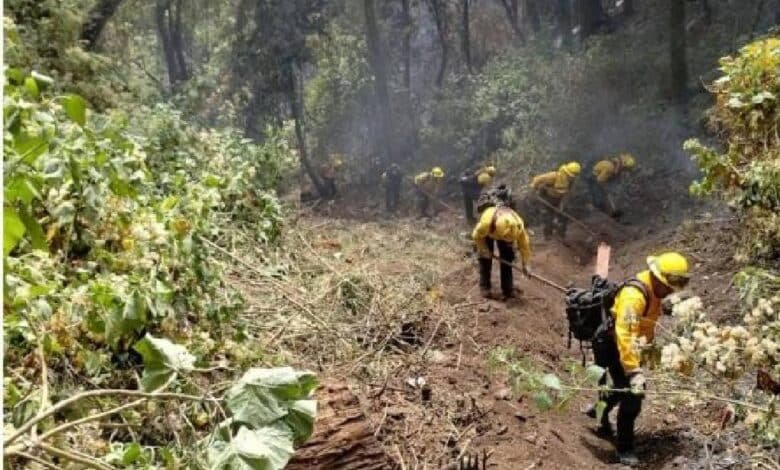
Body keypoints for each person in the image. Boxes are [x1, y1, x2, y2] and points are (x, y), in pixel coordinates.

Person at [585, 252, 691, 466]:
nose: (669, 291)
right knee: (633, 395)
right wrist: (634, 370)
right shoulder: (634, 296)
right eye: (667, 286)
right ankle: (624, 448)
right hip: (612, 344)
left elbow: (644, 324)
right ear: (656, 277)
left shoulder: (654, 291)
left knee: (620, 388)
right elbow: (625, 334)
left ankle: (599, 410)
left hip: (629, 347)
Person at [471, 201, 531, 300]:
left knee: (507, 258)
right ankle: (485, 287)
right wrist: (484, 249)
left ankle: (508, 289)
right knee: (485, 259)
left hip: (505, 235)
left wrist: (526, 264)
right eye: (505, 239)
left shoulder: (518, 225)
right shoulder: (486, 223)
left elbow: (524, 246)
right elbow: (476, 235)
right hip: (487, 234)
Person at [530, 162, 581, 239]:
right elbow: (537, 179)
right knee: (548, 216)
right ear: (566, 173)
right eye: (570, 176)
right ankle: (548, 235)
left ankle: (561, 234)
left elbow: (568, 193)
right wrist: (533, 190)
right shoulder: (553, 176)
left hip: (559, 198)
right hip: (546, 197)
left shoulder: (571, 181)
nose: (572, 177)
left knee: (563, 215)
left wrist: (562, 205)